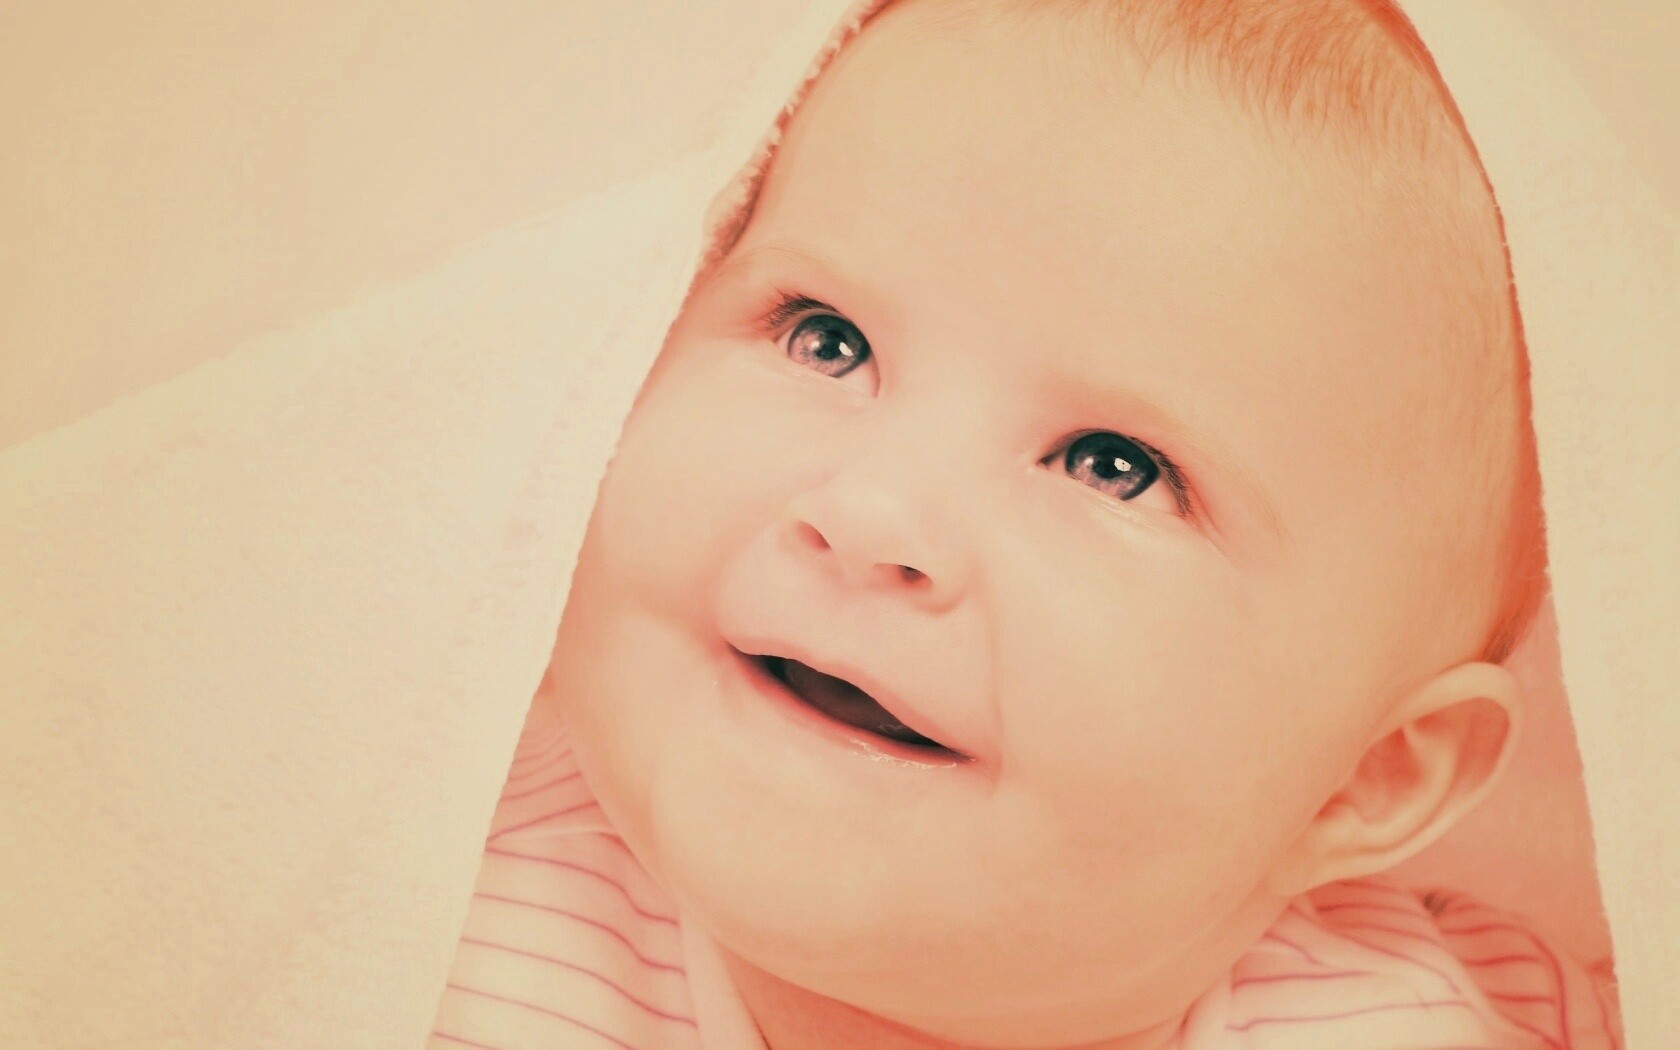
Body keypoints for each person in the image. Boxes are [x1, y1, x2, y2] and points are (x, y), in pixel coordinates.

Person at [432, 0, 1620, 1046]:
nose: (870, 515)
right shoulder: (408, 916)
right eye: (826, 340)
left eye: (1112, 467)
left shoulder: (1477, 1026)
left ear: (1366, 776)